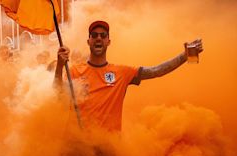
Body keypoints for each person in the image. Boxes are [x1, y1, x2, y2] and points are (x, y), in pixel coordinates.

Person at [55, 20, 203, 131]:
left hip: (108, 148)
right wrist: (59, 66)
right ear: (89, 41)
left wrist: (183, 56)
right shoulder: (74, 71)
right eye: (94, 35)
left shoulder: (121, 72)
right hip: (78, 145)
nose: (98, 38)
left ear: (108, 41)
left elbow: (156, 71)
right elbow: (59, 96)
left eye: (103, 35)